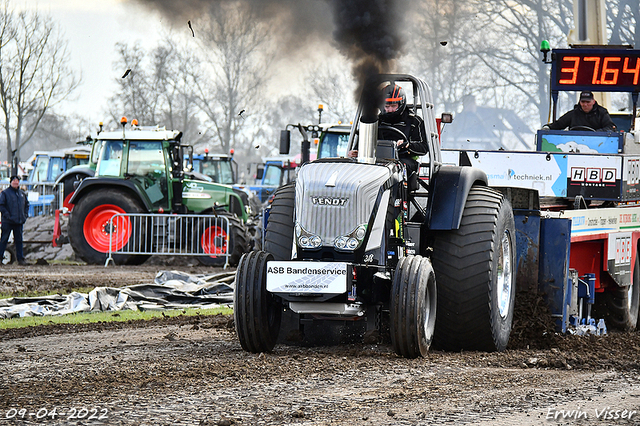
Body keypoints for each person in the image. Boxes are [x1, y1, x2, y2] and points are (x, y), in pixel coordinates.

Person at [349, 83, 429, 183]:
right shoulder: (375, 122)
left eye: (393, 106)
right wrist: (356, 152)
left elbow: (424, 147)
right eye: (387, 106)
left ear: (401, 104)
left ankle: (392, 196)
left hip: (403, 160)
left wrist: (408, 145)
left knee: (395, 169)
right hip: (376, 161)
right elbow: (361, 144)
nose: (390, 110)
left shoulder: (414, 122)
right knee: (357, 167)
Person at [544, 91, 616, 132]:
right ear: (579, 102)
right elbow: (559, 124)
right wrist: (548, 127)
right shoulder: (574, 114)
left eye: (588, 102)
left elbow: (610, 127)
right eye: (583, 102)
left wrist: (596, 133)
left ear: (593, 102)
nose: (585, 104)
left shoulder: (601, 113)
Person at [0, 176, 30, 265]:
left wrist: (24, 215)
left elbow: (27, 205)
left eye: (17, 181)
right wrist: (7, 215)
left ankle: (20, 259)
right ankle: (0, 258)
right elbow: (1, 205)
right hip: (8, 221)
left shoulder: (21, 194)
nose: (15, 183)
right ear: (11, 182)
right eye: (14, 181)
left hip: (19, 221)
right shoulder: (5, 193)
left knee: (19, 240)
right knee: (4, 239)